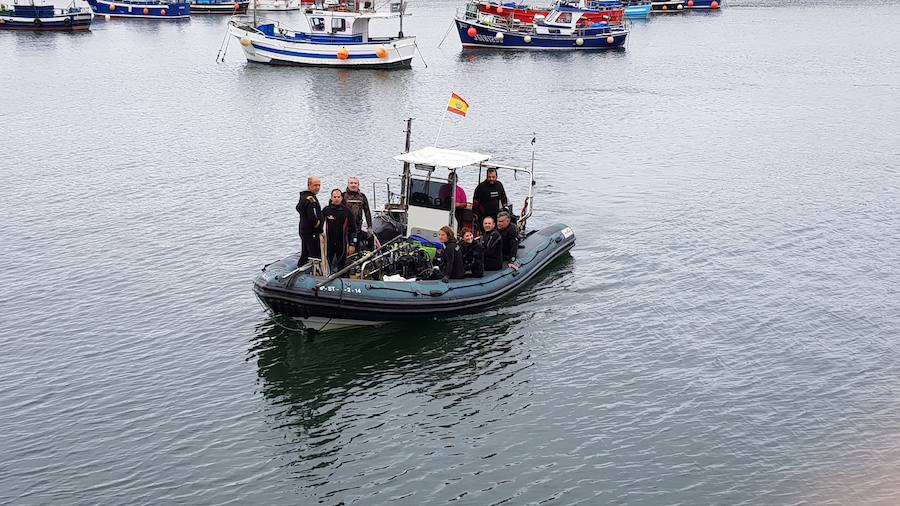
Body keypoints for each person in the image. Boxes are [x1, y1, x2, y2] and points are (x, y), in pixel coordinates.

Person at [321, 189, 358, 272]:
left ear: (341, 198)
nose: (336, 199)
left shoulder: (347, 211)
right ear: (331, 198)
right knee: (328, 264)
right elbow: (319, 225)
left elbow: (353, 229)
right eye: (334, 197)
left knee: (341, 266)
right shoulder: (326, 210)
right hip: (329, 243)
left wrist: (352, 244)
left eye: (338, 197)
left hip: (342, 243)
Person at [296, 176, 323, 267]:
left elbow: (298, 208)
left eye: (319, 185)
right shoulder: (310, 200)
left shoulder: (304, 197)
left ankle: (299, 268)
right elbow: (312, 217)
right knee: (315, 255)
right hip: (311, 232)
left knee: (305, 253)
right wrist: (319, 227)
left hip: (304, 229)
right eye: (315, 185)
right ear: (309, 185)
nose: (317, 187)